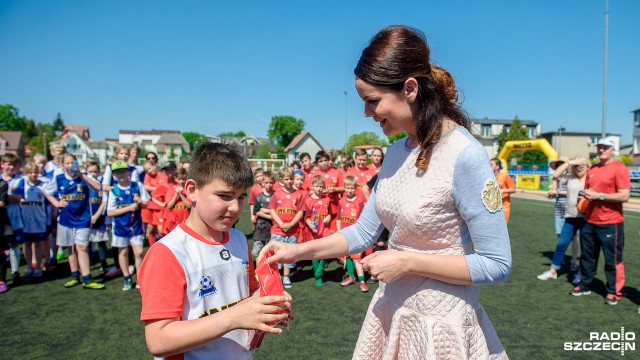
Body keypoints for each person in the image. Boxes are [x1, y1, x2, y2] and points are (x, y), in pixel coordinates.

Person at [260, 25, 511, 359]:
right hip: (393, 305)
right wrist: (295, 252)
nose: (366, 113)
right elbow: (363, 232)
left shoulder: (465, 153)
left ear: (409, 88)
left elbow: (496, 264)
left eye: (372, 101)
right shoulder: (394, 152)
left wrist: (407, 262)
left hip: (441, 324)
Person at [138, 142, 291, 359]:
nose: (236, 208)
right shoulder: (168, 253)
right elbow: (158, 340)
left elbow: (247, 295)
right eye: (224, 196)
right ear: (192, 191)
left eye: (240, 197)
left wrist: (268, 301)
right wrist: (232, 317)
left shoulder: (238, 239)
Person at [571, 138, 630, 305]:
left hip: (611, 221)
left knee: (613, 259)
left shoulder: (620, 168)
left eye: (605, 147)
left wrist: (600, 196)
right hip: (590, 220)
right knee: (587, 257)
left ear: (613, 149)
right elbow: (589, 191)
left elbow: (624, 195)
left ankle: (614, 291)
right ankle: (585, 284)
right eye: (599, 147)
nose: (601, 150)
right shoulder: (593, 169)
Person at [44, 154, 105, 289]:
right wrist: (57, 203)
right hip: (66, 219)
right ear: (62, 165)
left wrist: (82, 176)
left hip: (83, 218)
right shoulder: (59, 178)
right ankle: (74, 275)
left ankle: (87, 278)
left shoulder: (83, 177)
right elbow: (47, 192)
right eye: (67, 163)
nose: (70, 165)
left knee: (82, 247)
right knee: (70, 247)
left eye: (73, 162)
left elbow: (98, 187)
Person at [537, 157, 589, 281]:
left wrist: (580, 162)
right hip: (570, 217)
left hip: (586, 218)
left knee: (587, 248)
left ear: (588, 166)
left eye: (582, 165)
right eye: (576, 166)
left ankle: (581, 273)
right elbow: (556, 174)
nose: (579, 167)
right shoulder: (570, 178)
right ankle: (553, 271)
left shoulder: (590, 178)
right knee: (561, 244)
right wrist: (571, 162)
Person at [107, 160, 150, 291]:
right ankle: (127, 278)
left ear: (128, 172)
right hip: (120, 227)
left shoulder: (137, 186)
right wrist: (129, 208)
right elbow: (110, 212)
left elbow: (146, 202)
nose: (121, 175)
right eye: (117, 172)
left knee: (139, 252)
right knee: (123, 252)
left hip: (135, 226)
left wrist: (140, 202)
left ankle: (139, 278)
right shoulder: (114, 190)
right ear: (114, 175)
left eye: (123, 171)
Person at [268, 167, 306, 289]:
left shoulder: (299, 194)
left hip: (292, 231)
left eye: (291, 179)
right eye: (286, 179)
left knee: (289, 255)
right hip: (277, 231)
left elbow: (300, 212)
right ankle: (276, 276)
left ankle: (286, 276)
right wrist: (280, 223)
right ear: (281, 180)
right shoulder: (277, 194)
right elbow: (272, 210)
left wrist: (290, 225)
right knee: (276, 254)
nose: (289, 181)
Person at [14, 163, 48, 278]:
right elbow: (16, 198)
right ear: (26, 173)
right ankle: (29, 267)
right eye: (30, 172)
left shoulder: (44, 185)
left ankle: (37, 267)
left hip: (39, 220)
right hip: (25, 220)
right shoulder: (22, 184)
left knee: (38, 244)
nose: (33, 175)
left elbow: (48, 201)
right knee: (27, 244)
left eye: (35, 172)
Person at [338, 176, 368, 292]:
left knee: (357, 259)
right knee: (347, 257)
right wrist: (339, 231)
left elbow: (363, 219)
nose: (349, 190)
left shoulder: (359, 201)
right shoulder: (341, 201)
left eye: (351, 188)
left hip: (356, 235)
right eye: (347, 188)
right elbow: (338, 218)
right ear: (344, 188)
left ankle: (362, 281)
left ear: (355, 188)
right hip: (344, 235)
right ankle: (351, 277)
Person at [302, 175, 332, 287]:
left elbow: (330, 213)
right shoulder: (308, 200)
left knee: (326, 250)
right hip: (313, 231)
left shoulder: (327, 199)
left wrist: (328, 217)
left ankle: (322, 266)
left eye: (321, 186)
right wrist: (309, 223)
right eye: (317, 186)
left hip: (325, 230)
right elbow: (306, 217)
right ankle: (318, 277)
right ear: (312, 187)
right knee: (314, 253)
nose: (319, 188)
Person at [2, 153, 25, 284]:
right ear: (2, 165)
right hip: (1, 217)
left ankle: (15, 272)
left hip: (15, 217)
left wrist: (3, 197)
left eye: (13, 165)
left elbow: (18, 199)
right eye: (8, 164)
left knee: (14, 244)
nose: (11, 167)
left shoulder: (20, 179)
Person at [86, 160, 110, 274]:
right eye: (90, 171)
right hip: (87, 216)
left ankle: (103, 263)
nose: (93, 174)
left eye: (95, 171)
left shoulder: (102, 182)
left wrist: (96, 215)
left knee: (101, 241)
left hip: (99, 216)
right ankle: (87, 263)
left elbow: (104, 201)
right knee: (88, 242)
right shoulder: (84, 182)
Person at [251, 171, 274, 258]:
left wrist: (264, 210)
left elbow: (277, 210)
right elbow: (257, 211)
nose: (269, 185)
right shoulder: (259, 197)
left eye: (271, 182)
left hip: (272, 227)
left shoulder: (276, 195)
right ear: (262, 183)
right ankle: (258, 269)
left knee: (270, 250)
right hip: (260, 227)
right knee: (258, 250)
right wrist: (271, 216)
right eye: (266, 182)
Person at [163, 168, 191, 236]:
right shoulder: (171, 190)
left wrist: (181, 195)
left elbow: (189, 206)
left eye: (183, 179)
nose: (181, 182)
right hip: (174, 219)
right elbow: (169, 206)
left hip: (185, 218)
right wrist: (176, 195)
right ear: (175, 178)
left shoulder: (189, 190)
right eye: (179, 179)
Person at [490, 158, 516, 223]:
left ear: (497, 166)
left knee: (502, 229)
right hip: (492, 207)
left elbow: (513, 189)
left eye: (491, 164)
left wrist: (502, 191)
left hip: (504, 207)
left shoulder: (505, 176)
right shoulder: (489, 177)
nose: (489, 166)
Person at [0, 177, 9, 293]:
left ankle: (2, 280)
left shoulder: (2, 183)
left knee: (0, 252)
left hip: (0, 224)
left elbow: (2, 202)